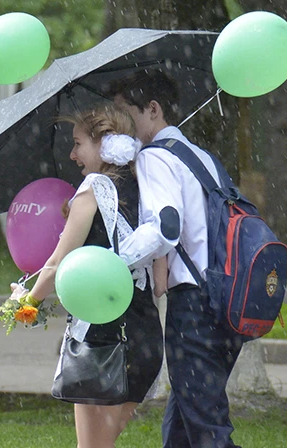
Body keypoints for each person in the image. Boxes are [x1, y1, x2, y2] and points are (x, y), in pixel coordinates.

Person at [14, 104, 164, 448]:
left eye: (78, 143)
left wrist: (26, 303)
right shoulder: (149, 190)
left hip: (101, 337)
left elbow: (56, 263)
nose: (72, 153)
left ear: (106, 145)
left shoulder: (94, 188)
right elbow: (159, 280)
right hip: (143, 336)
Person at [110, 70, 244, 448]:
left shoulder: (155, 157)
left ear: (152, 110)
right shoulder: (201, 157)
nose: (121, 129)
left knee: (206, 428)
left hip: (196, 305)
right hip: (227, 298)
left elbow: (166, 227)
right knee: (184, 422)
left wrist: (113, 261)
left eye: (125, 115)